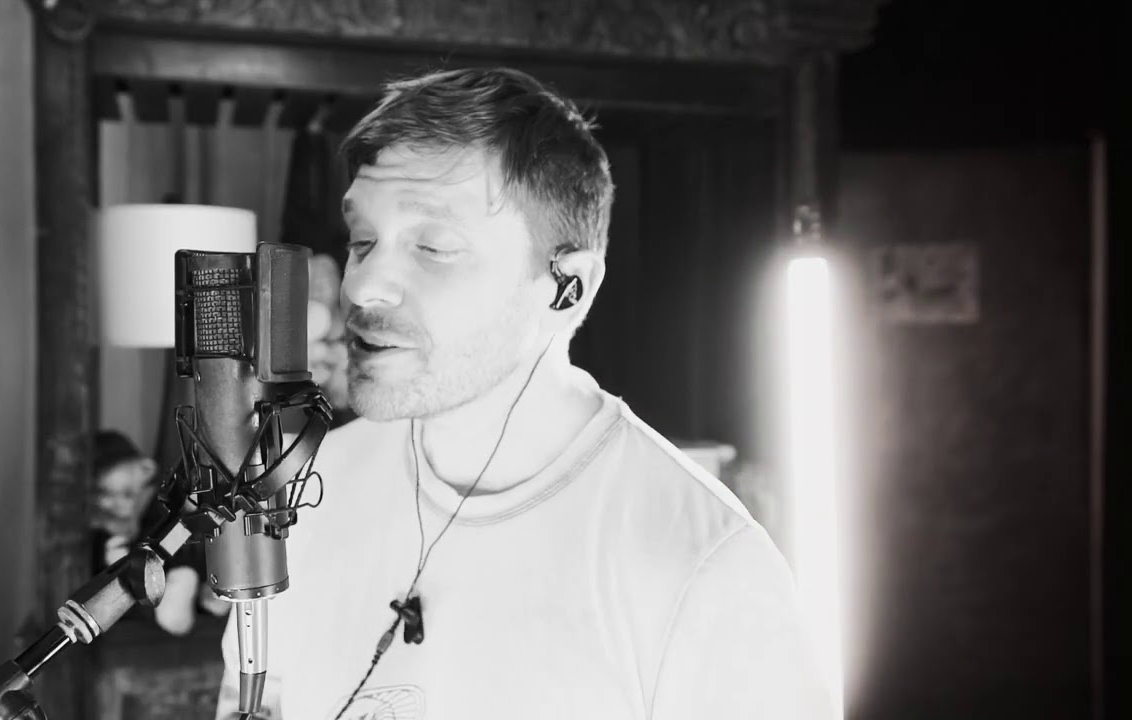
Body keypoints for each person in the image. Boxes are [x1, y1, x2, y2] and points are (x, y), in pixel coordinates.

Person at [216, 67, 833, 719]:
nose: (363, 285)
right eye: (362, 241)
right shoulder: (306, 490)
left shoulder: (705, 566)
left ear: (566, 288)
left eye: (433, 246)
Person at [91, 430, 228, 635]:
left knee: (186, 576)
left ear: (145, 468)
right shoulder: (111, 531)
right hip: (162, 586)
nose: (107, 501)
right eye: (100, 493)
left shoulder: (168, 493)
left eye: (109, 489)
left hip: (195, 566)